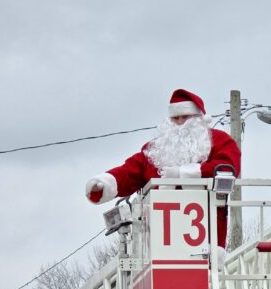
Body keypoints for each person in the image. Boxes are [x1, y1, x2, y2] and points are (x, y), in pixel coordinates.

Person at [85, 89, 241, 248]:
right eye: (175, 118)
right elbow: (130, 171)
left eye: (185, 117)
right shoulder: (157, 149)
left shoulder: (219, 141)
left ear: (198, 119)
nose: (180, 123)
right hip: (161, 241)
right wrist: (104, 184)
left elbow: (228, 168)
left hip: (206, 238)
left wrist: (183, 173)